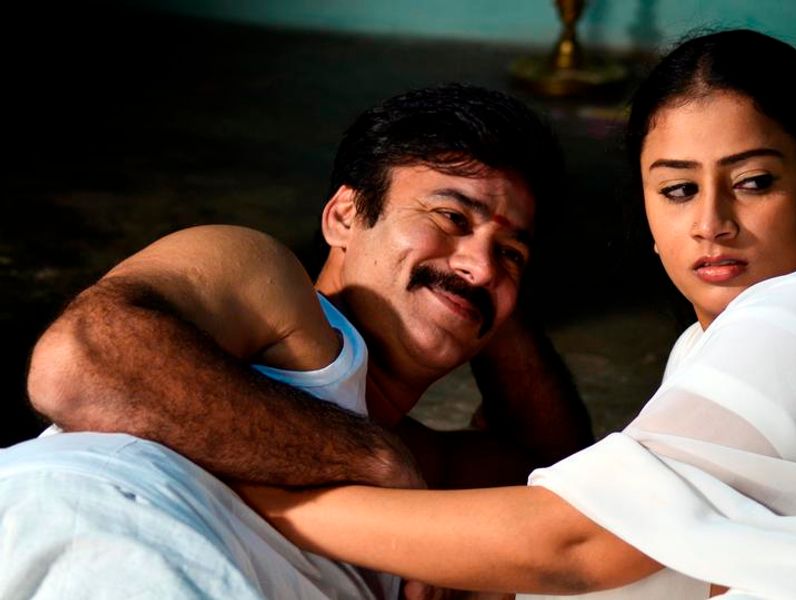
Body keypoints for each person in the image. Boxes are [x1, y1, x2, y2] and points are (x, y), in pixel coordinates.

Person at [237, 30, 796, 598]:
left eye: (753, 182)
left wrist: (261, 500)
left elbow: (578, 541)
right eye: (678, 190)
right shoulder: (717, 347)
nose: (711, 223)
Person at [3, 84, 592, 598]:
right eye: (451, 217)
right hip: (107, 531)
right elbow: (77, 364)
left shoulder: (425, 466)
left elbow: (564, 477)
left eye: (511, 254)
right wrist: (370, 459)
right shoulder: (270, 292)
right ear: (344, 216)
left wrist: (478, 282)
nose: (483, 267)